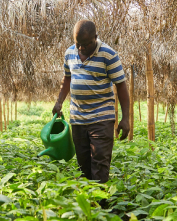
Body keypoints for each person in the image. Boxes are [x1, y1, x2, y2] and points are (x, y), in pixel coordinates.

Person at [52, 20, 130, 183]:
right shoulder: (69, 53)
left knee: (100, 163)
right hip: (78, 119)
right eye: (78, 43)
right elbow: (67, 79)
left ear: (95, 37)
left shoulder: (108, 55)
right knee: (83, 166)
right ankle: (89, 203)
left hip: (101, 119)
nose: (81, 48)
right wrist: (59, 102)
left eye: (86, 44)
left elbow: (121, 85)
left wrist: (126, 118)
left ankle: (100, 206)